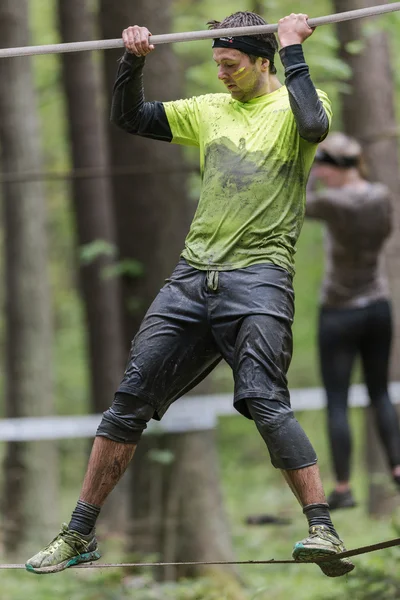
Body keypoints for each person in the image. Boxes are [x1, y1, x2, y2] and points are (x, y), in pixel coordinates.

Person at [25, 11, 354, 578]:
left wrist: (294, 46)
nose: (221, 74)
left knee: (262, 398)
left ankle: (322, 528)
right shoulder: (207, 110)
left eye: (231, 65)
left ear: (261, 60)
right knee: (128, 401)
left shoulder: (298, 99)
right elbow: (129, 117)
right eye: (216, 64)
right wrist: (133, 60)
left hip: (260, 278)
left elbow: (314, 127)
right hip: (190, 279)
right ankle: (79, 533)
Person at [306, 132, 400, 510]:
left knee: (337, 402)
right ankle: (397, 470)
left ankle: (343, 488)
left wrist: (310, 171)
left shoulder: (332, 204)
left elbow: (299, 201)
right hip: (377, 305)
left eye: (324, 167)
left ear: (334, 166)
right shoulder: (381, 196)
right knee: (380, 392)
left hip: (339, 310)